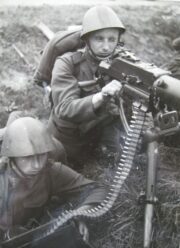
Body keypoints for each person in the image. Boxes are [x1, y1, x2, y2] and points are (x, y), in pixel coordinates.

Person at [0, 117, 106, 247]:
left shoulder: (51, 171)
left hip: (32, 236)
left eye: (41, 155)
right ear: (12, 156)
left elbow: (97, 189)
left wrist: (80, 214)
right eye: (27, 158)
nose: (37, 165)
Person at [47, 5, 125, 165]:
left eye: (112, 39)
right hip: (68, 142)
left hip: (99, 136)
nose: (106, 46)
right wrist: (101, 96)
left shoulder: (119, 62)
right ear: (86, 40)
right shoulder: (66, 63)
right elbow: (64, 108)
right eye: (99, 38)